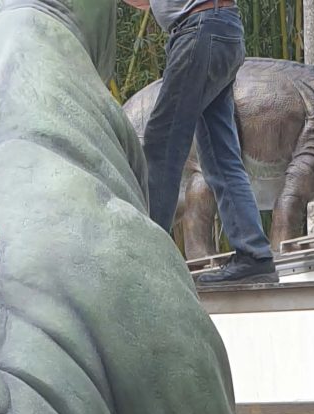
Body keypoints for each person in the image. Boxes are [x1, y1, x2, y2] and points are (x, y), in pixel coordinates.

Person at [125, 0, 278, 285]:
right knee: (220, 157)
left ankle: (144, 258)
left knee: (162, 146)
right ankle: (254, 255)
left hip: (200, 31)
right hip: (219, 31)